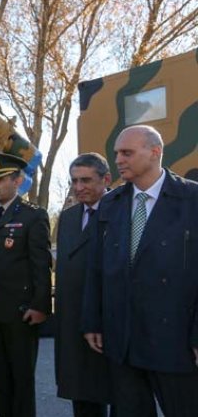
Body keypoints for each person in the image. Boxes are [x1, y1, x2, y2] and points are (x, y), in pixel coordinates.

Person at [82, 125, 198, 417]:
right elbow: (96, 268)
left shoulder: (192, 200)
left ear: (155, 152)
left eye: (127, 153)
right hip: (123, 340)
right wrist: (92, 321)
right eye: (117, 152)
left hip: (175, 341)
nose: (118, 159)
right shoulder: (110, 203)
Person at [0, 153, 52, 417]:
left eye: (0, 179)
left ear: (18, 180)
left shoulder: (33, 215)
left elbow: (41, 265)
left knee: (21, 381)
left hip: (20, 313)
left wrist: (39, 305)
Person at [54, 153, 113, 417]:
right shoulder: (68, 218)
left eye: (86, 180)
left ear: (106, 179)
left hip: (110, 319)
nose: (79, 188)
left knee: (119, 395)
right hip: (73, 318)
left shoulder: (121, 211)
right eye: (74, 181)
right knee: (81, 392)